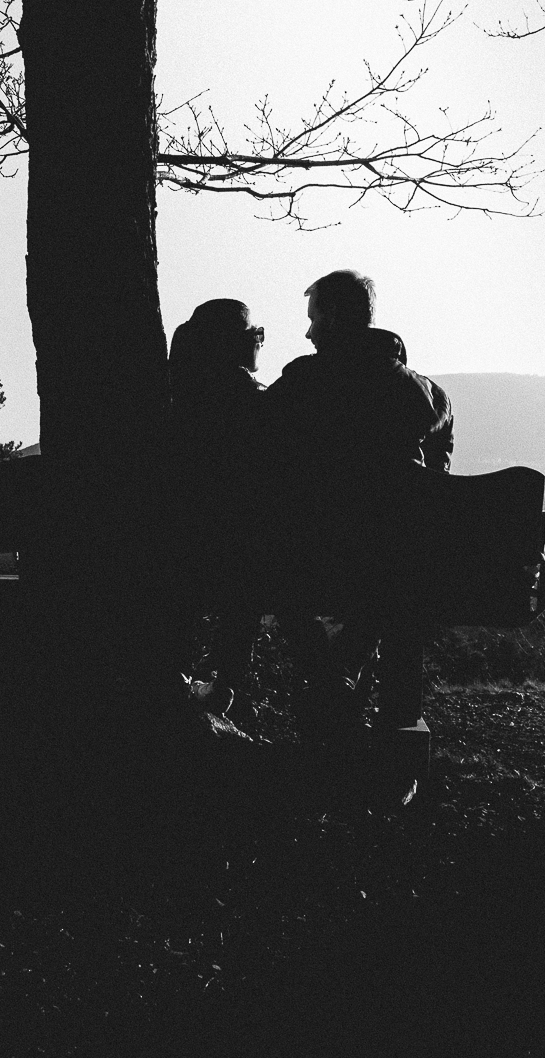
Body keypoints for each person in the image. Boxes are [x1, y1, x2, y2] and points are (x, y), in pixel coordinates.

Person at [262, 269, 453, 739]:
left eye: (314, 319)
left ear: (334, 320)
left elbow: (255, 455)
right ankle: (345, 671)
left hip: (304, 558)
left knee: (274, 562)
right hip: (390, 564)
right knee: (398, 573)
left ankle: (328, 670)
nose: (308, 332)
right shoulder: (425, 397)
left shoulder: (300, 384)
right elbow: (437, 483)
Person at [167, 298, 267, 725]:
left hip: (179, 553)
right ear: (235, 346)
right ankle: (225, 682)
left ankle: (177, 676)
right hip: (246, 559)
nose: (260, 342)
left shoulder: (174, 406)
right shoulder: (258, 405)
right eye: (255, 335)